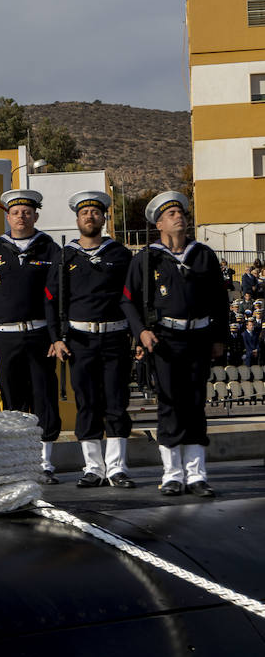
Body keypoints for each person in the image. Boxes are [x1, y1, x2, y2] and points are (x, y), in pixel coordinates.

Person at [123, 192, 230, 497]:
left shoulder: (203, 255)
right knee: (169, 404)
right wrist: (141, 332)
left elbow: (220, 300)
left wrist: (219, 338)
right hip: (165, 340)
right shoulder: (147, 258)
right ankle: (172, 474)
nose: (179, 216)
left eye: (181, 212)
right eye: (171, 214)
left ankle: (196, 475)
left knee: (195, 404)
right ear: (159, 224)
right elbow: (127, 300)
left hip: (199, 337)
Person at [0, 189, 63, 483]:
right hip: (6, 338)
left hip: (41, 335)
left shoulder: (50, 250)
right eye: (15, 213)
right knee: (13, 402)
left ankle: (45, 464)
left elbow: (60, 297)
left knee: (44, 398)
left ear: (35, 216)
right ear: (8, 217)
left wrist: (57, 336)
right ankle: (18, 463)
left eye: (26, 212)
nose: (21, 217)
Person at [48, 191, 136, 489]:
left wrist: (137, 333)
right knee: (87, 403)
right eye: (85, 213)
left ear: (104, 218)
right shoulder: (65, 256)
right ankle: (93, 468)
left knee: (116, 402)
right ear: (77, 219)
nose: (90, 217)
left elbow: (132, 296)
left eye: (95, 212)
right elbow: (51, 300)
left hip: (115, 337)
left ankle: (117, 469)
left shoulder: (120, 254)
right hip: (79, 340)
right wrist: (56, 338)